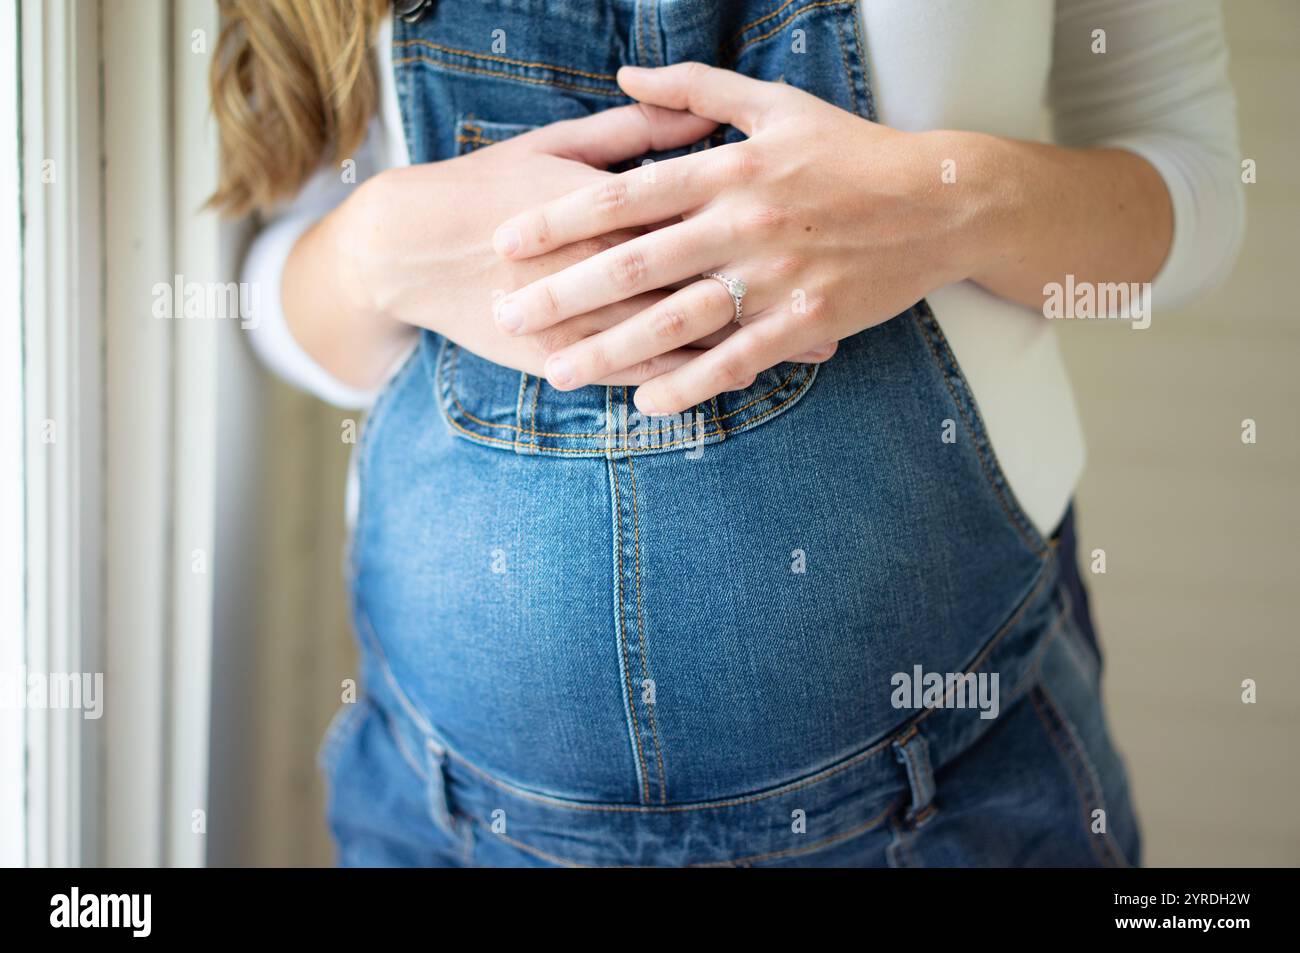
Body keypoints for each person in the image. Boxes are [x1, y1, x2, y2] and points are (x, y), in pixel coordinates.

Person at [211, 0, 1243, 866]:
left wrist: (949, 206)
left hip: (958, 801)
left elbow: (1193, 195)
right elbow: (276, 285)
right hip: (443, 818)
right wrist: (371, 251)